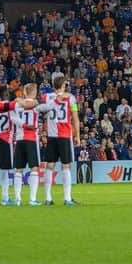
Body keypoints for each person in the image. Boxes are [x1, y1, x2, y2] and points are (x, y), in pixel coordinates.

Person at [41, 73, 81, 206]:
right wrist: (77, 136)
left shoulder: (46, 97)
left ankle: (48, 198)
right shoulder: (71, 98)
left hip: (52, 135)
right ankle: (67, 198)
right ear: (63, 85)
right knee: (66, 165)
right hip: (64, 135)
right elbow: (75, 118)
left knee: (50, 165)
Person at [11, 83, 53, 205]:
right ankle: (32, 199)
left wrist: (22, 124)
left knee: (18, 169)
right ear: (34, 92)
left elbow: (13, 118)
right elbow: (48, 107)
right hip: (31, 139)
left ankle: (18, 199)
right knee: (34, 168)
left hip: (19, 139)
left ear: (24, 92)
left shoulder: (17, 105)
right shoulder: (36, 105)